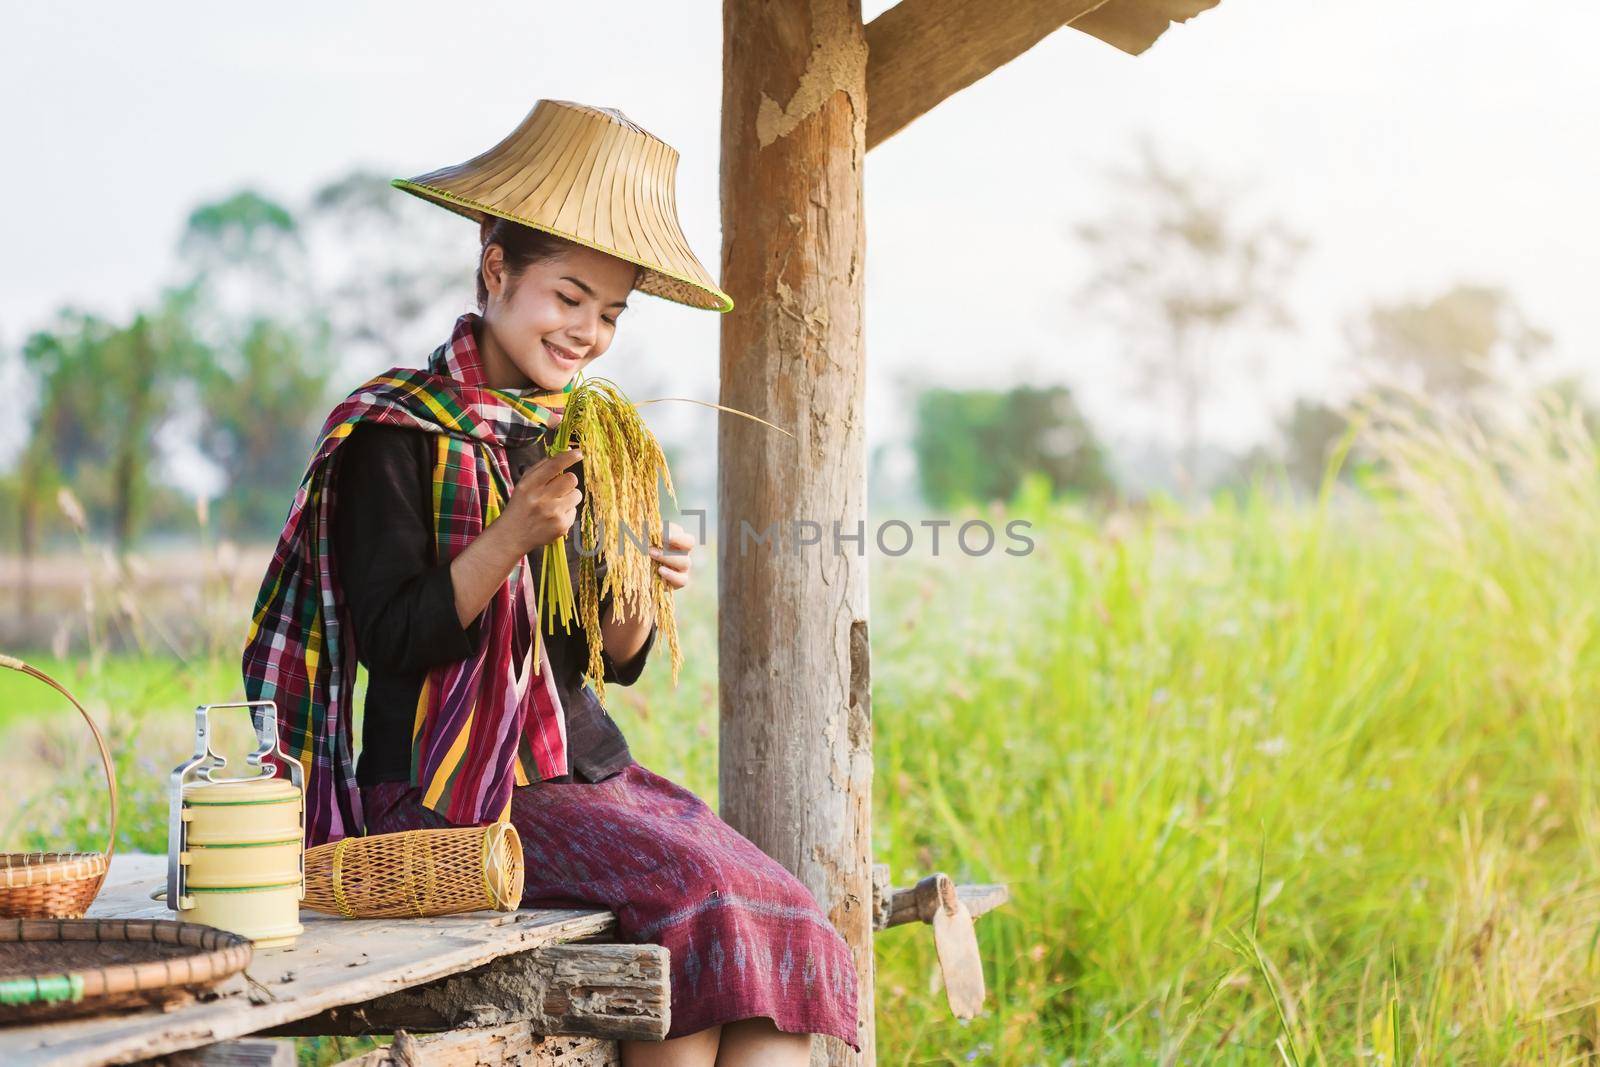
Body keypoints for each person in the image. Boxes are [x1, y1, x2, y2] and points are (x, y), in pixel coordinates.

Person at [241, 101, 860, 1065]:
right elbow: (396, 638)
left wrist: (639, 588)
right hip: (450, 789)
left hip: (582, 771)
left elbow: (609, 661)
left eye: (609, 313)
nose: (589, 333)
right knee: (700, 896)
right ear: (497, 271)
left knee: (781, 906)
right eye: (568, 298)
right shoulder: (393, 434)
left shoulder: (586, 435)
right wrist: (510, 536)